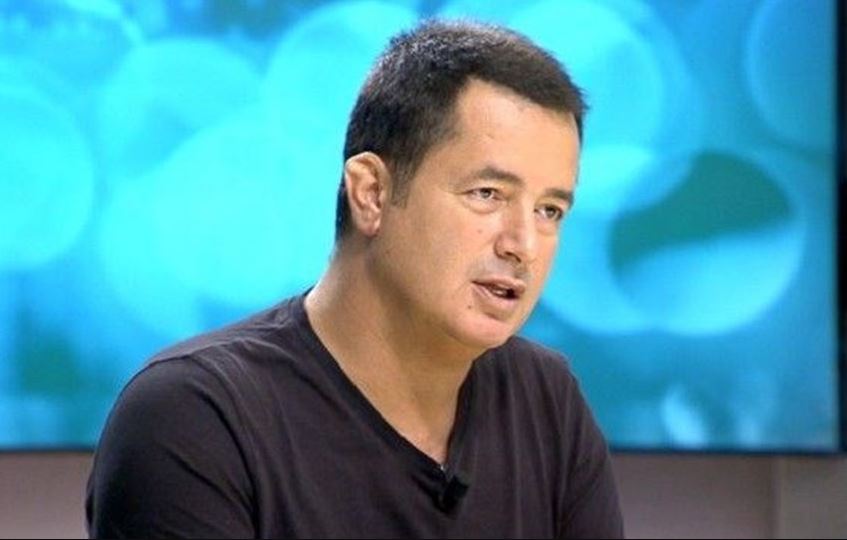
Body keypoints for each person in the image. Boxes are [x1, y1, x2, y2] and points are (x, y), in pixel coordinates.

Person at [86, 19, 624, 539]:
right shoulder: (194, 416)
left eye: (550, 211)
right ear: (371, 193)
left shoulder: (546, 400)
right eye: (487, 194)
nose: (523, 244)